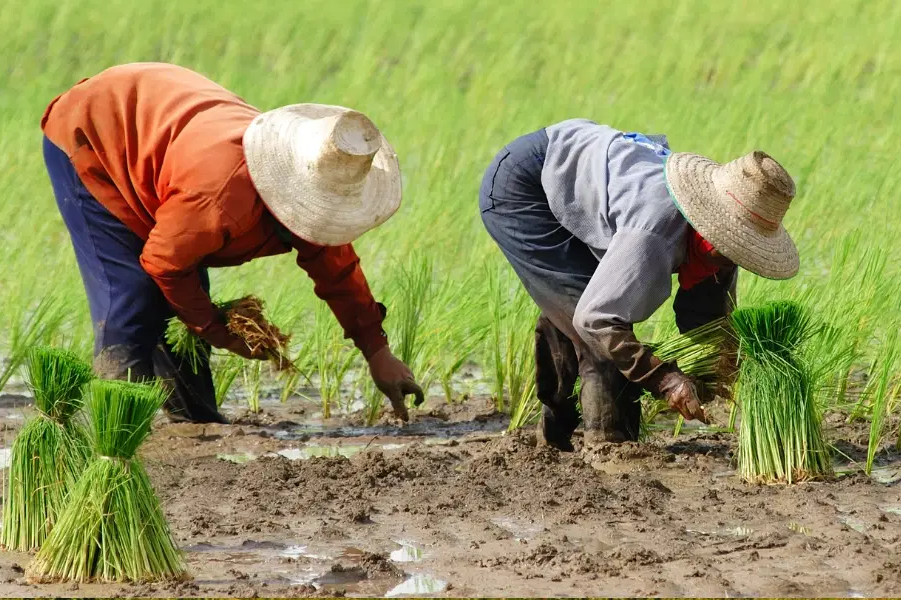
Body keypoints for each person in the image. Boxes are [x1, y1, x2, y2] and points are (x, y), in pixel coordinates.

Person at [40, 62, 424, 424]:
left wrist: (378, 353)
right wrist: (217, 330)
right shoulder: (221, 196)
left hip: (166, 146)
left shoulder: (317, 195)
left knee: (179, 307)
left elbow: (338, 271)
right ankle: (115, 442)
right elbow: (164, 262)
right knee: (132, 298)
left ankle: (195, 422)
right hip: (96, 132)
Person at [480, 119, 801, 450]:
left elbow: (705, 317)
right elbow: (597, 320)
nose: (737, 256)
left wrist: (729, 363)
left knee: (578, 304)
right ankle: (609, 448)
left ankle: (553, 440)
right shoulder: (655, 233)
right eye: (734, 245)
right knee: (598, 337)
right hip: (524, 187)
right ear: (710, 228)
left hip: (581, 171)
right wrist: (666, 380)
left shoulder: (719, 248)